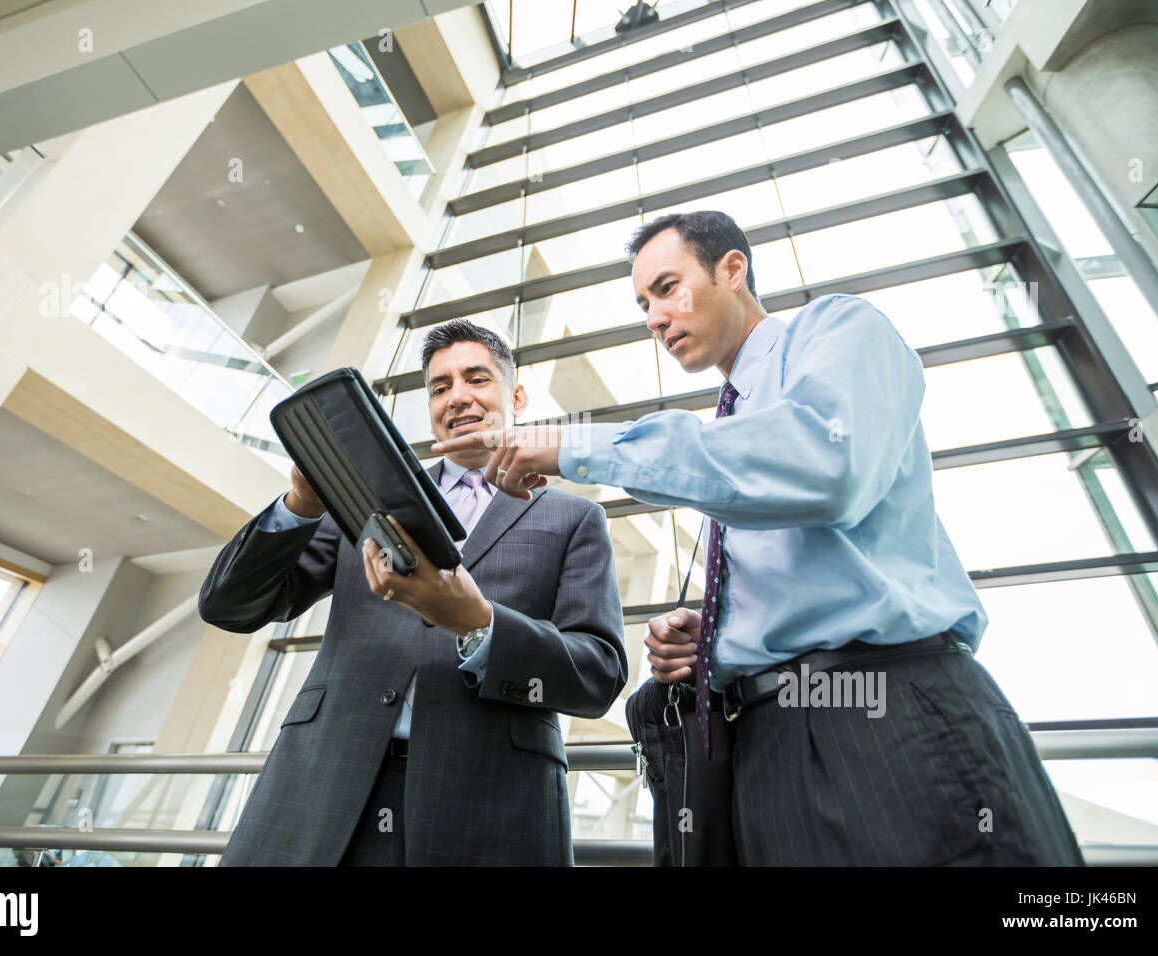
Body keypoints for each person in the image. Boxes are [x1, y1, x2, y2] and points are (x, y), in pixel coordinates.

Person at [433, 210, 1085, 866]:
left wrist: (575, 444)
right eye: (641, 304)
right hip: (770, 751)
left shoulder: (839, 328)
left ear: (733, 269)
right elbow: (802, 550)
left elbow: (826, 467)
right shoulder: (733, 425)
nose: (654, 317)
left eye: (666, 288)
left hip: (888, 720)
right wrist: (716, 632)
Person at [199, 319, 628, 865]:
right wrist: (303, 502)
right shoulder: (363, 495)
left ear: (516, 395)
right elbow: (232, 606)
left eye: (477, 379)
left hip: (486, 801)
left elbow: (597, 674)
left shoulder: (575, 518)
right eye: (440, 386)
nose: (458, 398)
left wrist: (481, 624)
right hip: (324, 783)